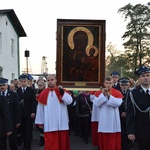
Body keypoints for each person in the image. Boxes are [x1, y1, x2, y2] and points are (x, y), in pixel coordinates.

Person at [35, 74, 73, 150]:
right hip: (49, 124)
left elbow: (69, 101)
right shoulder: (43, 93)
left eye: (52, 80)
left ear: (56, 80)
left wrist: (62, 93)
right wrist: (40, 122)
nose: (50, 82)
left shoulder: (62, 91)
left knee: (62, 144)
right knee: (51, 145)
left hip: (61, 123)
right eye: (48, 80)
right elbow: (40, 109)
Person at [93, 76, 123, 150]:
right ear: (104, 83)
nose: (108, 85)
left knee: (113, 140)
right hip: (103, 119)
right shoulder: (99, 93)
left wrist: (109, 96)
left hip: (114, 120)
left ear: (113, 83)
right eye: (107, 83)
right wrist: (103, 95)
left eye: (110, 83)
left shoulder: (117, 92)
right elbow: (96, 104)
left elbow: (118, 104)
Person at [126, 66, 150, 150]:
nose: (146, 78)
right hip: (142, 132)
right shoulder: (133, 94)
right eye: (143, 76)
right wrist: (130, 131)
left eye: (148, 75)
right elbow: (130, 114)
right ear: (139, 79)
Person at [17, 74, 37, 150]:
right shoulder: (18, 91)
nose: (23, 83)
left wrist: (33, 112)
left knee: (28, 132)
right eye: (21, 81)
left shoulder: (31, 90)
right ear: (20, 82)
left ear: (27, 81)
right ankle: (23, 144)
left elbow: (33, 102)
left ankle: (27, 147)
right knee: (21, 131)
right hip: (20, 115)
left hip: (28, 114)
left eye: (24, 81)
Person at [0, 78, 21, 150]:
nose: (2, 87)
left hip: (12, 121)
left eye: (3, 85)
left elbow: (17, 108)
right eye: (0, 85)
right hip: (1, 124)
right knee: (2, 143)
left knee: (12, 142)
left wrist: (18, 121)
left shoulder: (13, 94)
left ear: (7, 85)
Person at [118, 77, 131, 150]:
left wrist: (127, 113)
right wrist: (120, 113)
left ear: (128, 85)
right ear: (120, 85)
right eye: (122, 85)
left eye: (126, 85)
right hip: (120, 116)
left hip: (129, 116)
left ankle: (129, 145)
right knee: (122, 132)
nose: (124, 86)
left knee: (129, 131)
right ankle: (123, 146)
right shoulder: (117, 93)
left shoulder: (131, 93)